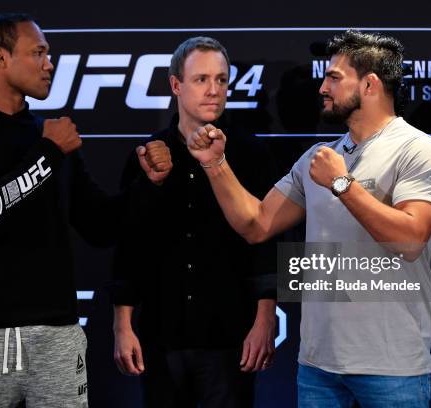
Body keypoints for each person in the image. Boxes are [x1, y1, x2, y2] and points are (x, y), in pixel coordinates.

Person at [186, 30, 431, 407]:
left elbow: (410, 241)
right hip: (318, 368)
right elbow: (256, 224)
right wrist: (215, 163)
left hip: (392, 370)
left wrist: (342, 183)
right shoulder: (320, 156)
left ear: (370, 84)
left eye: (334, 77)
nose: (323, 87)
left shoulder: (418, 149)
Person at [0, 13, 170, 408]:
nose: (49, 63)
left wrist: (148, 185)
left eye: (49, 54)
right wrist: (50, 152)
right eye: (38, 52)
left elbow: (100, 225)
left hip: (56, 337)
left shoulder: (51, 136)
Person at [109, 36, 278, 408]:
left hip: (229, 339)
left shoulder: (251, 153)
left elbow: (267, 243)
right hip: (161, 336)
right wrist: (123, 325)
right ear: (175, 85)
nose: (214, 90)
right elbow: (129, 246)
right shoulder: (148, 154)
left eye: (221, 80)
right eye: (201, 79)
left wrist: (265, 319)